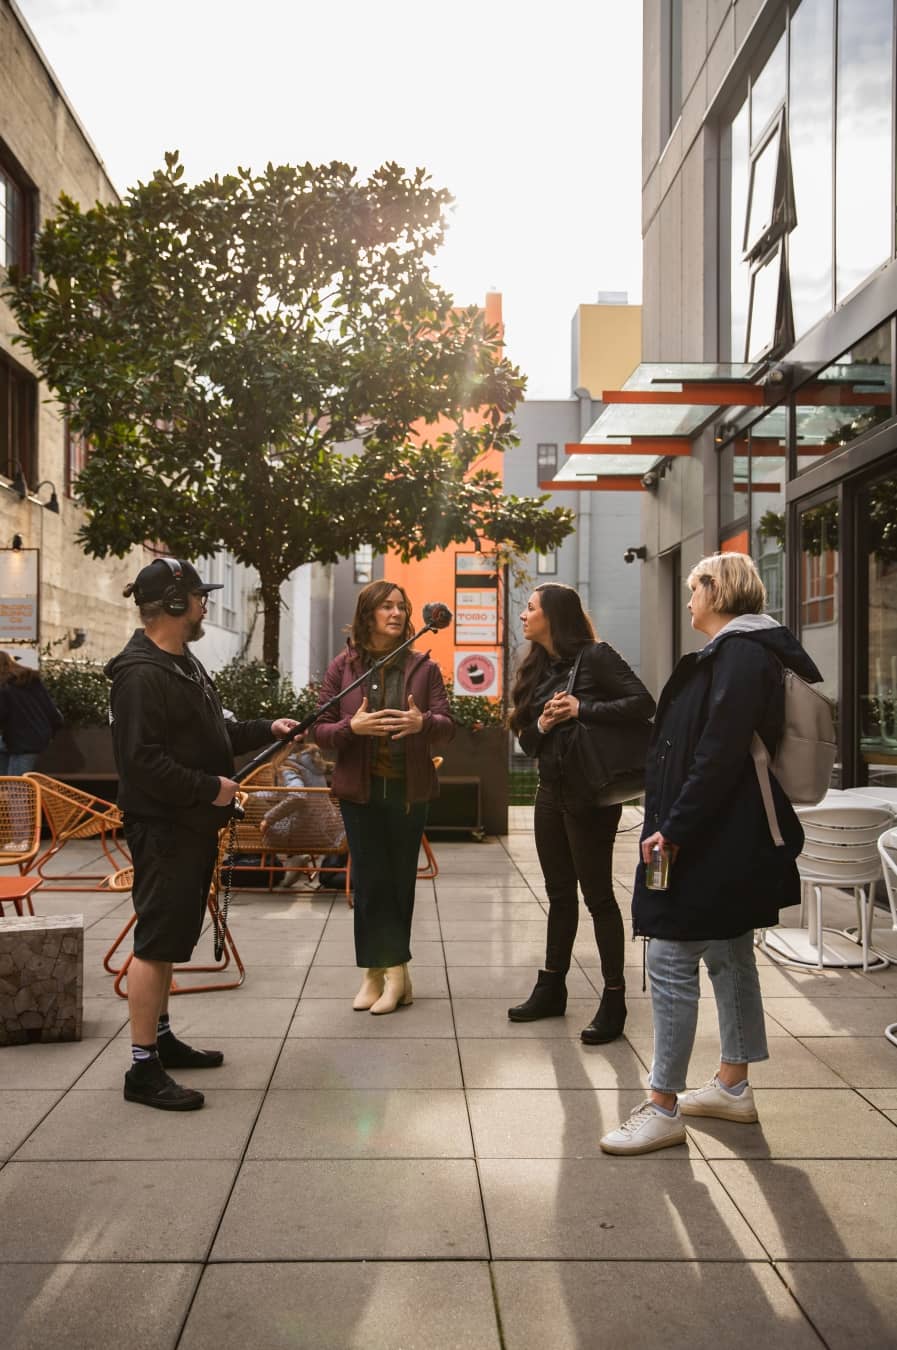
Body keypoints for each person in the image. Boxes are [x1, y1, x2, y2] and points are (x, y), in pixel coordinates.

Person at [600, 552, 822, 1156]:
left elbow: (718, 752)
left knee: (672, 957)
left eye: (695, 586)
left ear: (718, 589)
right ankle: (732, 1087)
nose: (689, 598)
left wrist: (673, 829)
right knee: (727, 952)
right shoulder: (740, 653)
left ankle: (662, 1105)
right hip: (724, 834)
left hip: (712, 838)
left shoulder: (741, 654)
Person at [106, 557, 298, 1111]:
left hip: (188, 825)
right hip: (164, 828)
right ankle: (142, 1068)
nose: (205, 603)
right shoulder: (140, 675)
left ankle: (161, 1039)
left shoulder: (182, 664)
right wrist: (209, 788)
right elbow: (141, 762)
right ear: (173, 604)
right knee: (156, 942)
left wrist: (267, 729)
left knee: (170, 938)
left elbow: (216, 734)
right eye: (198, 596)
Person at [508, 583, 655, 1042]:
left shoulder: (596, 657)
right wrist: (544, 721)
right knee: (558, 894)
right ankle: (552, 987)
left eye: (530, 608)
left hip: (589, 794)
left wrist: (580, 707)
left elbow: (643, 703)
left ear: (553, 615)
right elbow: (527, 741)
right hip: (549, 791)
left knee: (598, 897)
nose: (523, 615)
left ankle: (614, 998)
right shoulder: (535, 667)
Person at [315, 580, 454, 1014]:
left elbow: (447, 725)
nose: (396, 613)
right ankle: (382, 975)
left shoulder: (424, 667)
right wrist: (350, 729)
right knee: (370, 884)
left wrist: (422, 723)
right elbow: (320, 729)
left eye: (401, 606)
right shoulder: (344, 667)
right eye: (386, 606)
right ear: (367, 614)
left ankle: (388, 975)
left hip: (408, 793)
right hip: (361, 793)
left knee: (398, 884)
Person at [0, 651, 63, 777]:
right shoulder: (31, 681)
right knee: (13, 782)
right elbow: (53, 713)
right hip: (33, 738)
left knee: (15, 785)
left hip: (21, 741)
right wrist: (48, 734)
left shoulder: (3, 687)